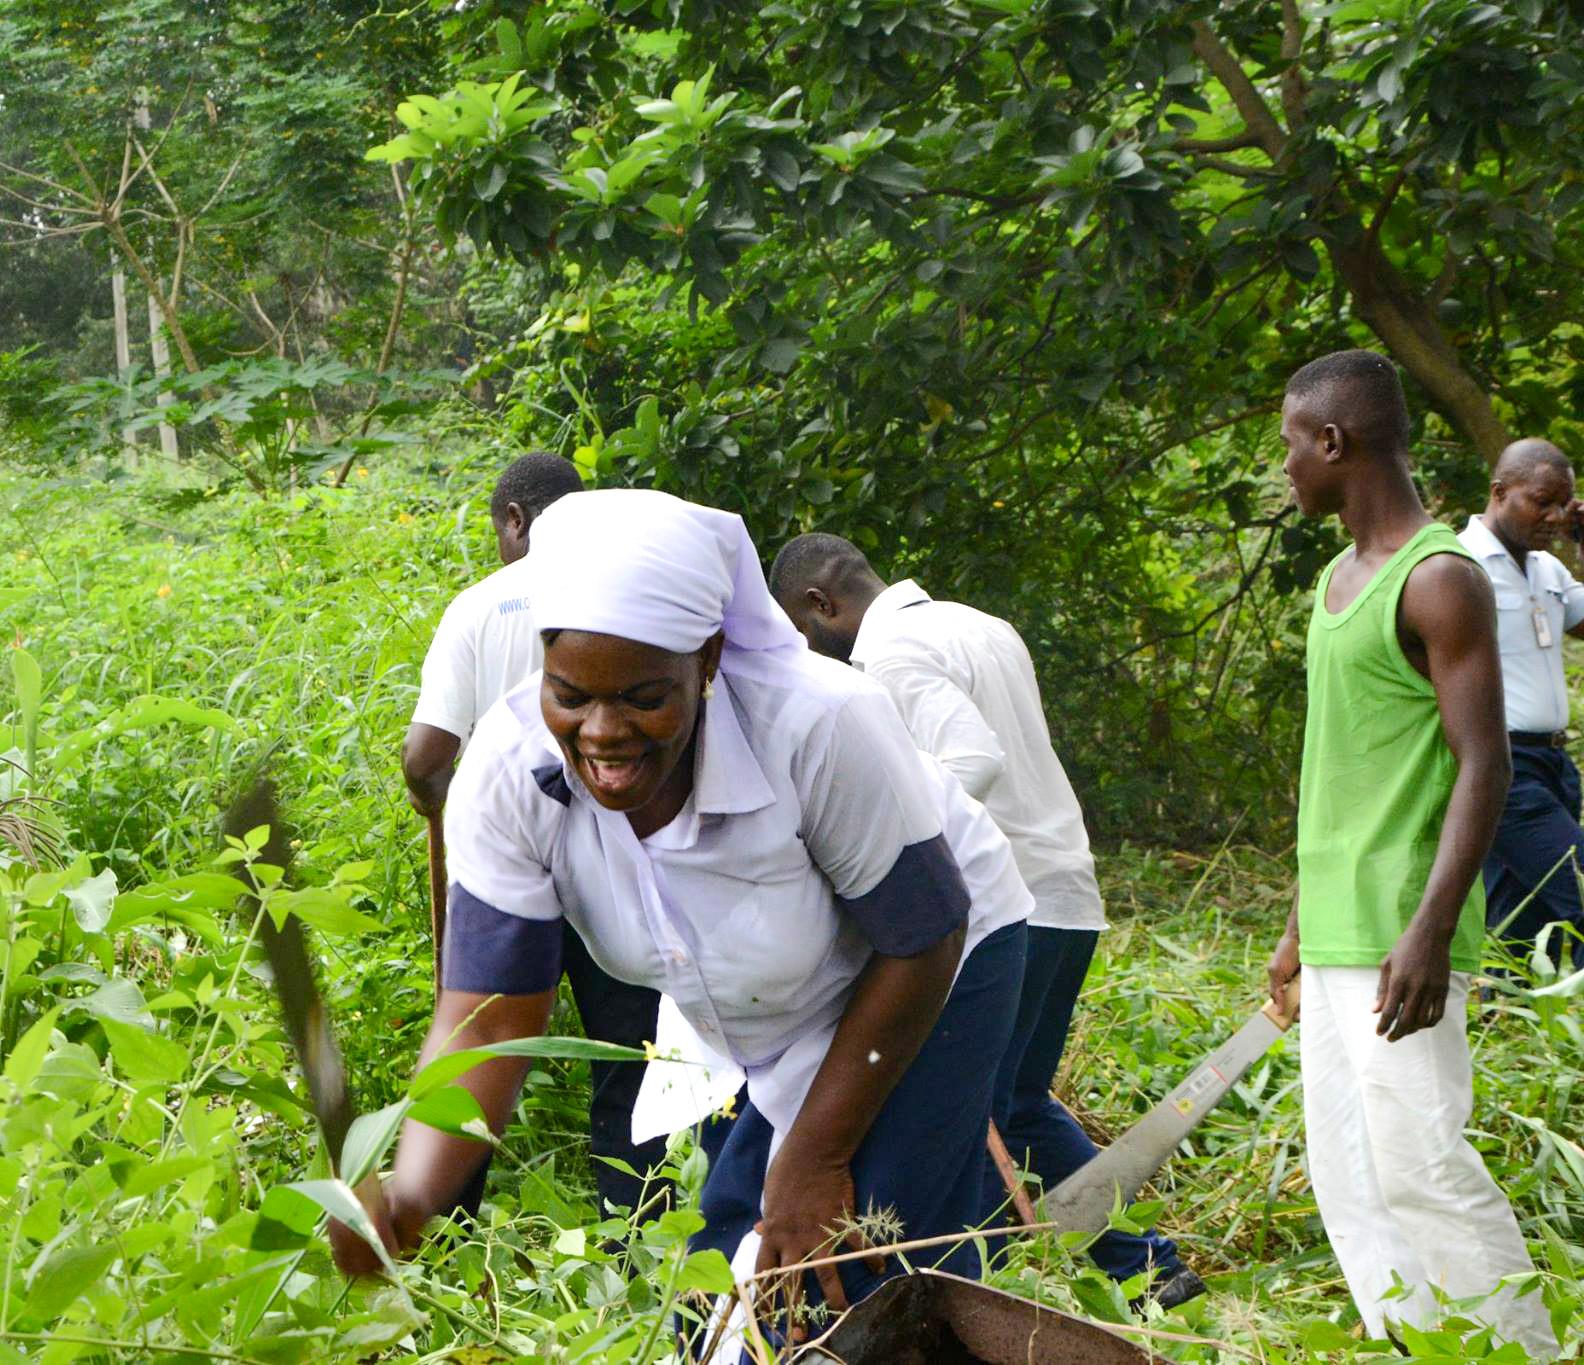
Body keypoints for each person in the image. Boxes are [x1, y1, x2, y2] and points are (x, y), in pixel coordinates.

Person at [339, 489, 1027, 1346]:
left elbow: (923, 936)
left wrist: (813, 1160)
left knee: (851, 1268)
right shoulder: (508, 773)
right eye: (569, 694)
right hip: (779, 1001)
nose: (603, 733)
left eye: (642, 697)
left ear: (706, 658)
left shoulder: (818, 722)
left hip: (937, 958)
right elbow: (490, 1021)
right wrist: (410, 1191)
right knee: (720, 1275)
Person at [767, 535, 1201, 1307]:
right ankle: (1147, 1267)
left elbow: (975, 758)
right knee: (1022, 1105)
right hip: (1066, 891)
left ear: (819, 606)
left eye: (803, 636)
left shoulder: (890, 654)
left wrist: (900, 845)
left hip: (1005, 908)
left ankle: (979, 1296)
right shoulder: (979, 623)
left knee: (966, 1114)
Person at [1266, 349, 1554, 1353]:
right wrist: (1295, 928)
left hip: (1401, 926)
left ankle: (1518, 1349)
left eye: (1290, 448)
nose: (1286, 470)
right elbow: (1333, 773)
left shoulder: (1434, 579)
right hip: (1337, 923)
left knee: (1420, 1165)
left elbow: (1486, 768)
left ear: (1332, 442)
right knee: (1351, 1172)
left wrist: (1430, 933)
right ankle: (1420, 1344)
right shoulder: (1333, 582)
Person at [401, 451, 667, 1217]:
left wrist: (449, 805)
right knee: (625, 1052)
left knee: (480, 1040)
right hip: (619, 855)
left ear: (514, 520)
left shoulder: (480, 606)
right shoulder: (620, 598)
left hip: (514, 867)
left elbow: (425, 755)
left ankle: (442, 1225)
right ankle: (637, 1228)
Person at [1459, 439, 1584, 969]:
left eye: (1565, 505)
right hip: (1503, 767)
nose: (1554, 516)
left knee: (1519, 915)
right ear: (1499, 492)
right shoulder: (1461, 566)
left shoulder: (1547, 571)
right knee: (1575, 887)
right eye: (1541, 501)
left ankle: (1504, 1019)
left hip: (1552, 763)